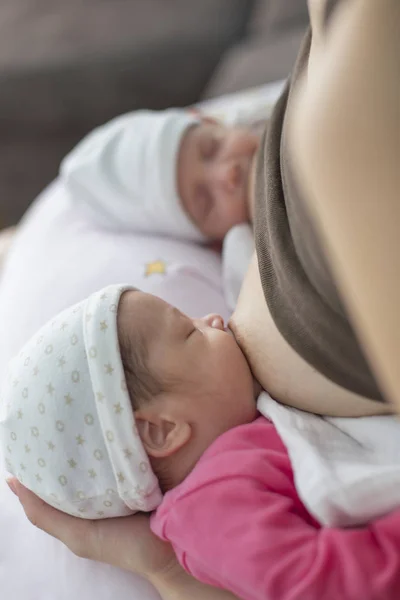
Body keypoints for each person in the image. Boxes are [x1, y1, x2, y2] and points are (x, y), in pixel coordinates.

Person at [3, 284, 400, 600]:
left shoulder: (244, 418)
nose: (214, 319)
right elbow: (317, 585)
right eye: (191, 332)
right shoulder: (203, 508)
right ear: (163, 430)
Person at [60, 108, 259, 242]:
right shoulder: (250, 252)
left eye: (212, 148)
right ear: (209, 238)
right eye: (206, 201)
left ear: (210, 121)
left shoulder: (270, 116)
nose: (226, 174)